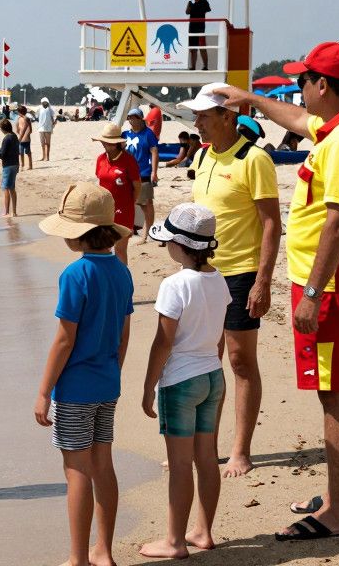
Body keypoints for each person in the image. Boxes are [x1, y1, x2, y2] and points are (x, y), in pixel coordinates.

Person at [215, 41, 339, 542]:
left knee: (334, 391)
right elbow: (296, 120)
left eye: (304, 79)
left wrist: (312, 292)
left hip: (333, 282)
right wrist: (248, 98)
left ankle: (338, 513)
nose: (298, 85)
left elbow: (338, 221)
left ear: (324, 86)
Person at [179, 83, 281, 478]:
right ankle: (207, 447)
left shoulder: (254, 160)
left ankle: (240, 451)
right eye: (196, 116)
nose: (197, 123)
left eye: (204, 116)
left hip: (240, 273)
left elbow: (272, 223)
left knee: (239, 361)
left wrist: (263, 281)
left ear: (228, 116)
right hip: (202, 273)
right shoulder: (203, 157)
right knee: (205, 361)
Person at [34, 182, 134, 566]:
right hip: (107, 383)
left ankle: (78, 558)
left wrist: (44, 391)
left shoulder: (76, 275)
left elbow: (64, 340)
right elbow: (124, 334)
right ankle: (104, 552)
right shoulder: (121, 273)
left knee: (76, 471)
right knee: (103, 465)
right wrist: (114, 371)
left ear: (78, 235)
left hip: (75, 389)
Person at [139, 203, 230, 558]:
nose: (166, 248)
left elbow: (164, 341)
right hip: (212, 376)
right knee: (206, 458)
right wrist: (212, 364)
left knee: (179, 465)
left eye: (168, 243)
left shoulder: (174, 285)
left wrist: (149, 387)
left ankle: (175, 541)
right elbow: (219, 335)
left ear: (180, 245)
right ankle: (203, 532)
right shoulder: (218, 278)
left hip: (180, 382)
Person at [93, 123, 142, 264]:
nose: (105, 145)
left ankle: (122, 280)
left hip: (124, 210)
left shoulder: (128, 160)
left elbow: (137, 186)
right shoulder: (100, 159)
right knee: (103, 248)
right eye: (104, 142)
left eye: (109, 143)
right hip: (104, 210)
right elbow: (101, 183)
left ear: (117, 143)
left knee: (120, 249)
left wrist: (130, 204)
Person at [123, 107, 161, 242]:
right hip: (127, 174)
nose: (132, 120)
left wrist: (154, 172)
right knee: (128, 203)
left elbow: (154, 152)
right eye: (130, 117)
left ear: (141, 119)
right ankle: (131, 229)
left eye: (135, 117)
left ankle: (147, 233)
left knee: (146, 203)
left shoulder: (148, 134)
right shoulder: (125, 135)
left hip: (143, 173)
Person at [0, 119, 20, 218]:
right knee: (12, 188)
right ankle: (14, 212)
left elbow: (2, 154)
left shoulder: (7, 138)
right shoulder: (14, 136)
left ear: (3, 129)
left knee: (6, 188)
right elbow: (5, 150)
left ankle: (6, 212)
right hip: (15, 164)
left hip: (8, 166)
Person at [185, 0, 212, 70]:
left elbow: (207, 9)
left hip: (200, 28)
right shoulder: (191, 4)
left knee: (202, 47)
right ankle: (193, 66)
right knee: (193, 49)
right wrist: (188, 5)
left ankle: (205, 66)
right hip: (192, 28)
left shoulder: (204, 2)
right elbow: (187, 12)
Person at [15, 104, 34, 170]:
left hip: (23, 139)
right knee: (23, 153)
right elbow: (30, 130)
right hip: (26, 139)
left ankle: (26, 165)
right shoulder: (22, 118)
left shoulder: (24, 119)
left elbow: (18, 129)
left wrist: (21, 136)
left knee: (25, 153)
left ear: (19, 112)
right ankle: (25, 165)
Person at [38, 97, 56, 162]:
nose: (44, 103)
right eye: (43, 102)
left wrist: (54, 123)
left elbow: (54, 117)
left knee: (48, 143)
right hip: (40, 128)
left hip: (48, 128)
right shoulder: (39, 108)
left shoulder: (50, 109)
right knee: (42, 143)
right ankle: (43, 156)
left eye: (46, 102)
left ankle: (47, 157)